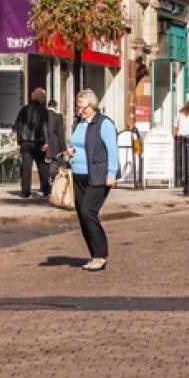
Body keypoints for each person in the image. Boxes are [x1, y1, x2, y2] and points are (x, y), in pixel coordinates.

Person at [68, 88, 120, 270]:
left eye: (81, 106)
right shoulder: (78, 123)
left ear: (91, 106)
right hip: (78, 173)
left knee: (89, 212)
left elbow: (112, 149)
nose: (78, 110)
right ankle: (94, 255)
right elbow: (77, 144)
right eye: (77, 106)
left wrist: (111, 173)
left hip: (98, 174)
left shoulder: (103, 124)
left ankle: (101, 255)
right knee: (82, 215)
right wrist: (70, 151)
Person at [12, 88, 52, 198]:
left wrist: (20, 140)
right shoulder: (43, 111)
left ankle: (25, 191)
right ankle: (46, 190)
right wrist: (46, 142)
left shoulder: (24, 109)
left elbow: (17, 125)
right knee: (43, 166)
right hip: (38, 142)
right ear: (42, 99)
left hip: (25, 142)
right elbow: (44, 126)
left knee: (26, 168)